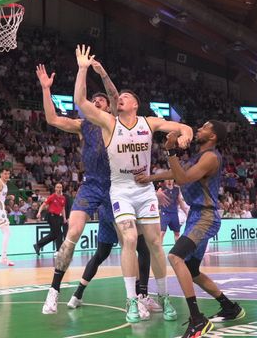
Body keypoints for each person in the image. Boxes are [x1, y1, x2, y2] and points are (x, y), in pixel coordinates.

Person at [74, 45, 193, 323]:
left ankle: (163, 297)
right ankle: (131, 300)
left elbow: (181, 127)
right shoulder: (108, 122)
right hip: (120, 190)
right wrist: (82, 69)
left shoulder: (148, 122)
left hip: (144, 191)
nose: (121, 98)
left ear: (135, 104)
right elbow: (80, 100)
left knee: (154, 243)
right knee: (128, 239)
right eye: (120, 96)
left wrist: (186, 134)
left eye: (126, 96)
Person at [36, 63, 157, 318]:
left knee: (131, 242)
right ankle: (54, 291)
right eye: (95, 100)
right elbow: (52, 118)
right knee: (73, 233)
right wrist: (46, 90)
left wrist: (102, 73)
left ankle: (136, 297)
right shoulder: (84, 125)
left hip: (117, 186)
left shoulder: (115, 122)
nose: (99, 101)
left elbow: (114, 95)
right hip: (92, 185)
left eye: (103, 99)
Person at [136, 120, 244, 338]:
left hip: (205, 216)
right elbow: (176, 173)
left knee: (175, 256)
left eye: (205, 127)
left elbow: (183, 178)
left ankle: (197, 320)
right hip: (196, 215)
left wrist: (171, 150)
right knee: (191, 269)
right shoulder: (198, 156)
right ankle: (230, 307)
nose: (199, 129)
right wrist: (150, 178)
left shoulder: (211, 157)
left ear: (212, 136)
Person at [34, 183, 67, 255]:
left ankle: (38, 245)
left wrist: (64, 217)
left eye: (60, 187)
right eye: (57, 187)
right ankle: (58, 251)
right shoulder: (52, 196)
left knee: (53, 235)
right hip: (51, 216)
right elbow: (43, 205)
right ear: (55, 188)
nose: (59, 189)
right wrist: (39, 212)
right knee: (59, 234)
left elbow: (63, 208)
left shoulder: (63, 198)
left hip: (59, 217)